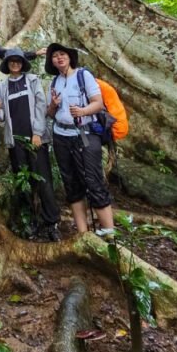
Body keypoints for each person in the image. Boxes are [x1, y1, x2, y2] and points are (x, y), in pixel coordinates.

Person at [45, 42, 115, 236]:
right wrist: (54, 104)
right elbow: (50, 113)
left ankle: (109, 234)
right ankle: (83, 235)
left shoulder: (84, 76)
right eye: (55, 56)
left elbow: (98, 104)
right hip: (61, 136)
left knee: (93, 181)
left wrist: (83, 111)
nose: (59, 58)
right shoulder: (54, 82)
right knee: (71, 184)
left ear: (69, 57)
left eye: (62, 54)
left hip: (84, 134)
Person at [0, 47, 61, 242]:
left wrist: (37, 133)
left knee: (43, 180)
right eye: (11, 61)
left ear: (23, 63)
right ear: (7, 64)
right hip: (15, 142)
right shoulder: (1, 87)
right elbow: (3, 118)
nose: (15, 63)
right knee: (23, 184)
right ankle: (30, 221)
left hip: (35, 139)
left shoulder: (32, 81)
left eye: (18, 60)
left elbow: (41, 107)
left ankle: (51, 223)